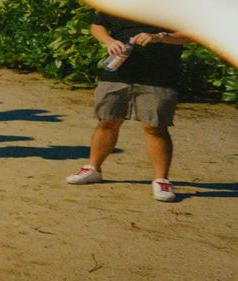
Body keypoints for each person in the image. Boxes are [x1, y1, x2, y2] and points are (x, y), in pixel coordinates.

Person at [64, 11, 192, 201]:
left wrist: (160, 37)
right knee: (106, 121)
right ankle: (93, 168)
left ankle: (161, 180)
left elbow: (192, 34)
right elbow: (97, 25)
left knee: (155, 128)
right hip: (117, 72)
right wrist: (109, 41)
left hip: (159, 76)